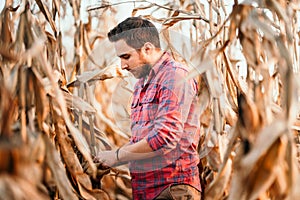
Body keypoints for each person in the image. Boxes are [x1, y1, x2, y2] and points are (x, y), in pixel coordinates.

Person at [95, 17, 201, 200]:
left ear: (148, 49)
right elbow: (146, 140)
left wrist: (118, 155)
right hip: (147, 191)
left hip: (172, 190)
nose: (123, 66)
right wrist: (107, 158)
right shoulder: (141, 85)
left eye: (126, 57)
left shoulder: (174, 76)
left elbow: (165, 137)